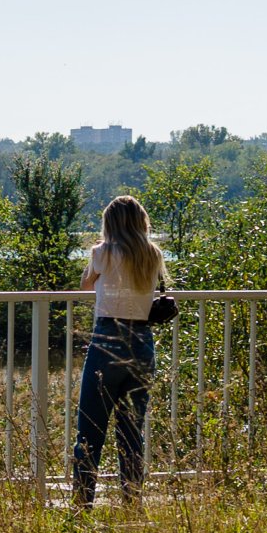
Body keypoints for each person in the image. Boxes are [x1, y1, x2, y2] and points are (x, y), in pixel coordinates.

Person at [72, 194, 166, 508]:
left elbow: (86, 284)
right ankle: (132, 503)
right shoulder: (152, 254)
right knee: (131, 431)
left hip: (107, 338)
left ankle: (82, 504)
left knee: (90, 429)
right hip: (141, 341)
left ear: (109, 223)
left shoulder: (103, 252)